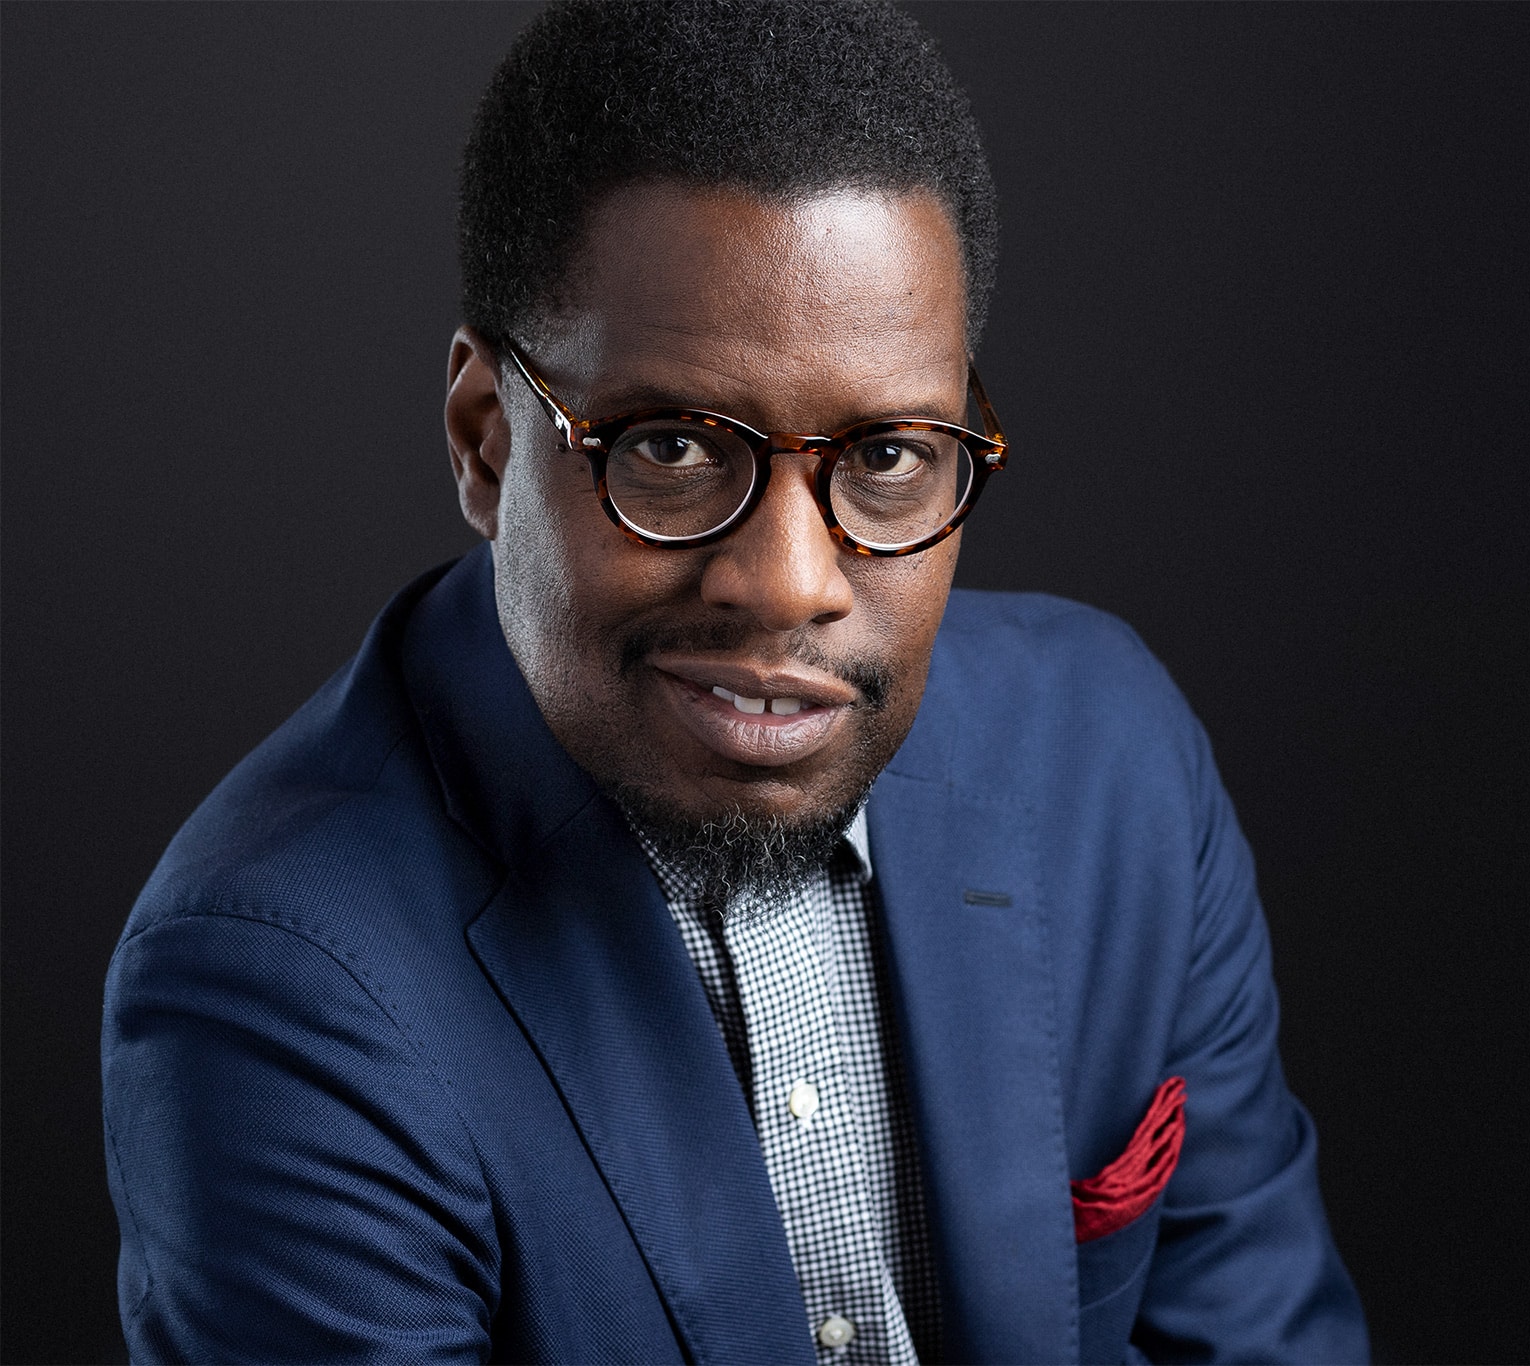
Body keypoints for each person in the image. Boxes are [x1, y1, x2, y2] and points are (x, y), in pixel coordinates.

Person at [100, 3, 1369, 1362]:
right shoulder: (280, 985)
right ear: (484, 440)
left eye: (886, 457)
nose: (785, 581)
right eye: (672, 448)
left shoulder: (1111, 765)